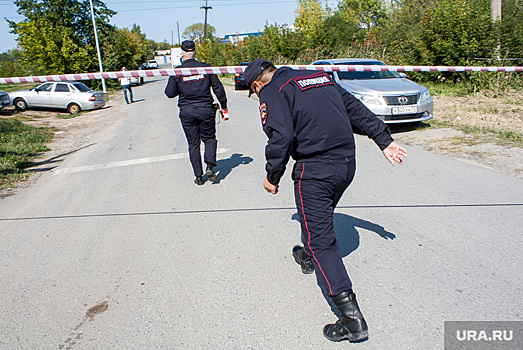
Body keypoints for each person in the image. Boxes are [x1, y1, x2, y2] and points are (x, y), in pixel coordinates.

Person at [243, 59, 407, 342]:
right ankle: (308, 255)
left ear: (257, 85)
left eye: (255, 92)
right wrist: (385, 140)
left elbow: (281, 138)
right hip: (346, 165)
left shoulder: (273, 90)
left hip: (315, 171)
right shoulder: (318, 76)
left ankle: (351, 319)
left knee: (322, 239)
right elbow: (356, 110)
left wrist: (273, 176)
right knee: (315, 219)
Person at [164, 40, 228, 186]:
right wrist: (224, 105)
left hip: (187, 111)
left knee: (193, 144)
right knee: (209, 139)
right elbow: (218, 88)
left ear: (182, 53)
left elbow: (169, 93)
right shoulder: (205, 68)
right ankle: (210, 166)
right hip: (206, 109)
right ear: (195, 52)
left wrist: (180, 83)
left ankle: (199, 177)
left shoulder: (178, 71)